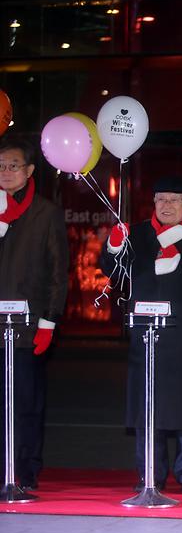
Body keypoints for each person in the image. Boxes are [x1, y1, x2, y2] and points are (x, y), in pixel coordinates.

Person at [102, 176, 182, 494]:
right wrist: (115, 245)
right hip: (146, 339)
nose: (167, 205)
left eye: (174, 199)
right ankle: (150, 474)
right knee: (148, 408)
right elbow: (112, 270)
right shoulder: (139, 235)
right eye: (161, 199)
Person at [0, 137, 68, 492]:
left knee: (25, 404)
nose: (6, 172)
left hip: (28, 328)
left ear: (28, 171)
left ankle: (24, 470)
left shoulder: (45, 213)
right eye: (0, 166)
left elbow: (58, 273)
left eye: (13, 165)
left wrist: (49, 321)